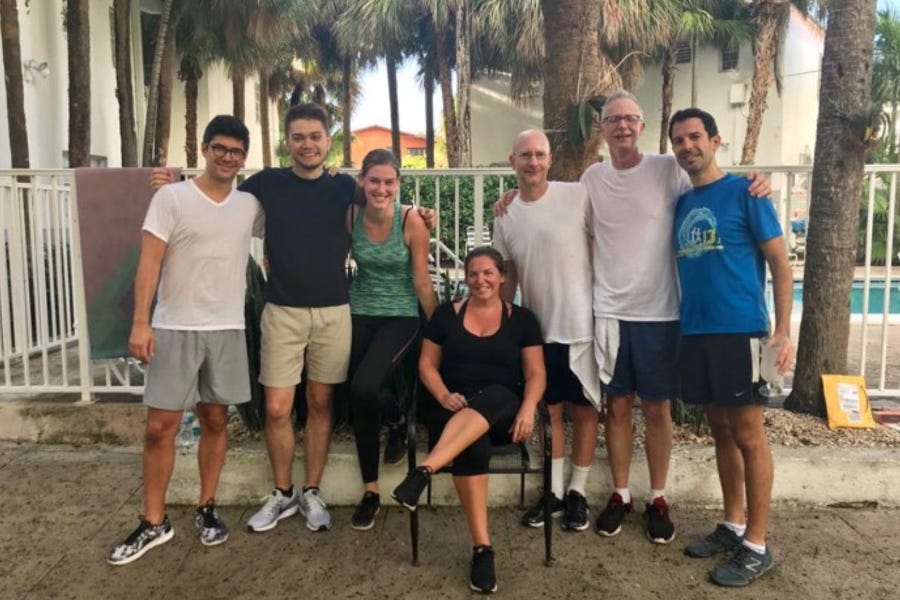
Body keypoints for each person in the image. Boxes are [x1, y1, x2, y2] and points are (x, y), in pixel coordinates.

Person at [152, 104, 436, 534]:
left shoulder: (346, 189)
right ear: (288, 141)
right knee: (278, 407)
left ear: (328, 140)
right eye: (299, 137)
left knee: (321, 403)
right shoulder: (266, 184)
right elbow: (214, 197)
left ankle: (313, 490)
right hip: (281, 310)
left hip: (334, 311)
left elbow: (385, 198)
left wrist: (423, 214)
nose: (308, 144)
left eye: (316, 136)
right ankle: (284, 491)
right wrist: (171, 186)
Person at [584, 90, 770, 545]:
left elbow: (715, 184)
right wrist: (511, 196)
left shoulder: (668, 169)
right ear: (603, 128)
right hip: (609, 309)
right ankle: (622, 494)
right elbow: (554, 205)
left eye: (631, 118)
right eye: (613, 119)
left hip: (663, 312)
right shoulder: (591, 177)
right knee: (618, 407)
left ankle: (659, 498)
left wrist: (758, 181)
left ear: (642, 126)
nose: (622, 126)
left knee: (657, 407)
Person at [108, 115, 264, 565]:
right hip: (175, 326)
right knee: (161, 427)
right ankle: (153, 521)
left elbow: (296, 220)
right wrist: (142, 322)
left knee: (215, 422)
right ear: (205, 148)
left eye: (236, 151)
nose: (228, 157)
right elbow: (149, 264)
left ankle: (207, 507)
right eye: (220, 148)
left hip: (227, 328)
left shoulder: (249, 206)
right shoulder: (171, 198)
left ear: (243, 157)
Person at [669, 108, 792, 587]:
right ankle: (734, 524)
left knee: (748, 433)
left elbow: (781, 264)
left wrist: (781, 331)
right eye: (679, 140)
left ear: (716, 141)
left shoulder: (747, 192)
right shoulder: (682, 201)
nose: (687, 147)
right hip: (696, 333)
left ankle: (757, 545)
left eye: (695, 137)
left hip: (739, 330)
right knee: (719, 427)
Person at [391, 247, 545, 594]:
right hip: (452, 411)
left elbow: (536, 374)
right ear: (466, 277)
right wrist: (444, 394)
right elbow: (427, 365)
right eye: (473, 274)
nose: (481, 281)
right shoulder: (446, 315)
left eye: (488, 273)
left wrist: (528, 407)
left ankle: (424, 471)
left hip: (504, 414)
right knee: (473, 443)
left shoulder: (522, 320)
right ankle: (482, 549)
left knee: (499, 393)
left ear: (502, 276)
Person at [492, 130, 600, 532]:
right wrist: (502, 323)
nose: (532, 162)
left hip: (581, 326)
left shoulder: (578, 194)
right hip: (538, 329)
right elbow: (509, 272)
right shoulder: (505, 213)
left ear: (550, 159)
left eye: (539, 155)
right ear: (512, 160)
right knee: (548, 411)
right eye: (525, 155)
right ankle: (553, 492)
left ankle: (579, 493)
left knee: (584, 411)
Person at [346, 149, 437, 531]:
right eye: (374, 180)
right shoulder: (350, 214)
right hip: (357, 310)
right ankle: (370, 491)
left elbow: (420, 279)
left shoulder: (411, 220)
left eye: (389, 182)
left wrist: (439, 332)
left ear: (398, 185)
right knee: (356, 396)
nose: (381, 188)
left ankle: (399, 418)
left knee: (365, 386)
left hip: (400, 315)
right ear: (362, 182)